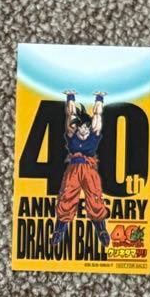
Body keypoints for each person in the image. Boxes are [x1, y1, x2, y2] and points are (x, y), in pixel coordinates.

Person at [52, 89, 109, 249]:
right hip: (74, 170)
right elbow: (70, 115)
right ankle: (59, 230)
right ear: (76, 128)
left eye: (86, 128)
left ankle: (101, 229)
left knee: (95, 197)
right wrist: (70, 97)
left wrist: (99, 98)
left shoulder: (94, 135)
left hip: (89, 170)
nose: (83, 130)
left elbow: (97, 116)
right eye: (80, 128)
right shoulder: (72, 135)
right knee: (67, 197)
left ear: (89, 128)